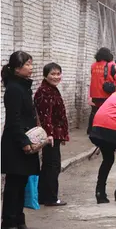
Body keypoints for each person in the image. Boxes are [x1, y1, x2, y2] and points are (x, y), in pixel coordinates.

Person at [1, 51, 52, 229]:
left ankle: (18, 219)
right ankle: (8, 222)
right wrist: (24, 143)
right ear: (17, 68)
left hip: (25, 140)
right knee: (13, 184)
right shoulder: (14, 89)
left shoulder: (23, 87)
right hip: (16, 143)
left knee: (21, 183)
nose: (31, 68)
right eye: (28, 64)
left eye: (31, 64)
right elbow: (14, 121)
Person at [34, 63, 69, 206]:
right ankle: (50, 198)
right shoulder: (45, 92)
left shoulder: (52, 89)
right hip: (50, 136)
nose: (56, 77)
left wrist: (62, 135)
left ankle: (43, 196)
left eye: (58, 74)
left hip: (56, 135)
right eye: (52, 74)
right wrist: (49, 135)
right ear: (45, 75)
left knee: (50, 165)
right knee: (52, 166)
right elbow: (45, 116)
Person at [87, 47, 116, 135]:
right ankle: (102, 131)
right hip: (105, 94)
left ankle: (90, 130)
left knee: (94, 111)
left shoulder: (93, 65)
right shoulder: (111, 65)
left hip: (95, 93)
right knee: (104, 113)